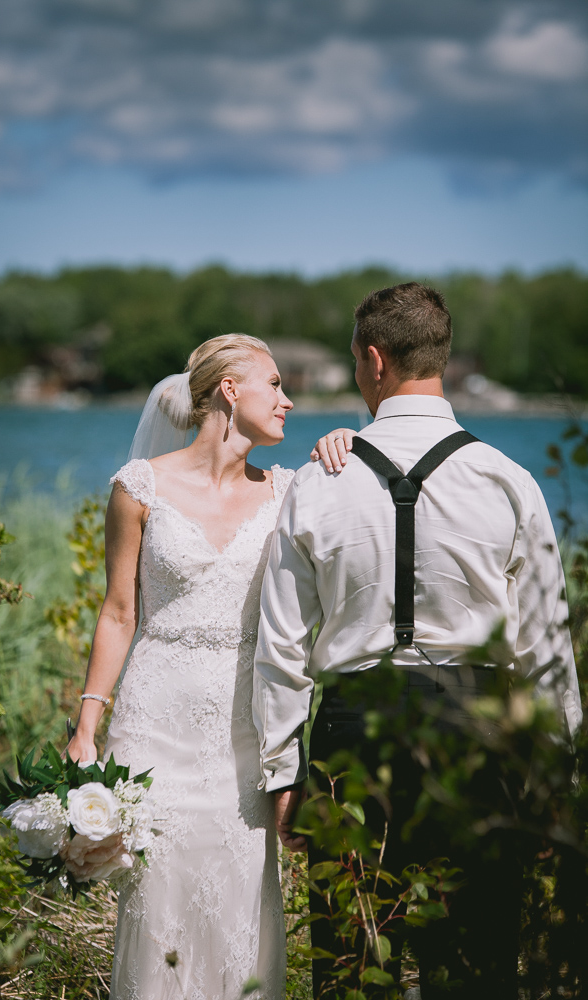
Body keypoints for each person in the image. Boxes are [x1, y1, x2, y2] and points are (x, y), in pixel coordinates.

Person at [252, 283, 582, 999]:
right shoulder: (508, 481)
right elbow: (545, 645)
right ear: (439, 355)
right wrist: (557, 768)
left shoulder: (316, 483)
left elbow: (280, 647)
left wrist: (283, 771)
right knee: (475, 964)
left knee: (350, 960)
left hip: (352, 731)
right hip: (476, 732)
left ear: (373, 361)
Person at [66, 333, 353, 1000]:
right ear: (230, 389)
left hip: (245, 730)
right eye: (275, 385)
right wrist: (86, 727)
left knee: (239, 902)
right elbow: (117, 613)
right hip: (154, 720)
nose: (287, 400)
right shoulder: (138, 487)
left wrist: (346, 440)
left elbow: (363, 506)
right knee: (157, 902)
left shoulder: (289, 490)